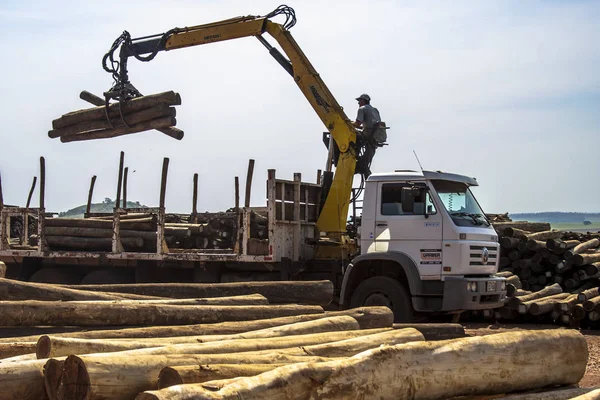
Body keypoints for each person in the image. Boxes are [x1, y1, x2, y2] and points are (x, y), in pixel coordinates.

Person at [353, 94, 386, 177]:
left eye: (359, 101)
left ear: (363, 100)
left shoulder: (362, 109)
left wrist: (347, 123)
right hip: (374, 137)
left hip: (367, 135)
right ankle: (362, 166)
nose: (358, 103)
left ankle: (353, 155)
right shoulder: (375, 110)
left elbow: (357, 124)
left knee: (352, 137)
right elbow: (373, 124)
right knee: (366, 160)